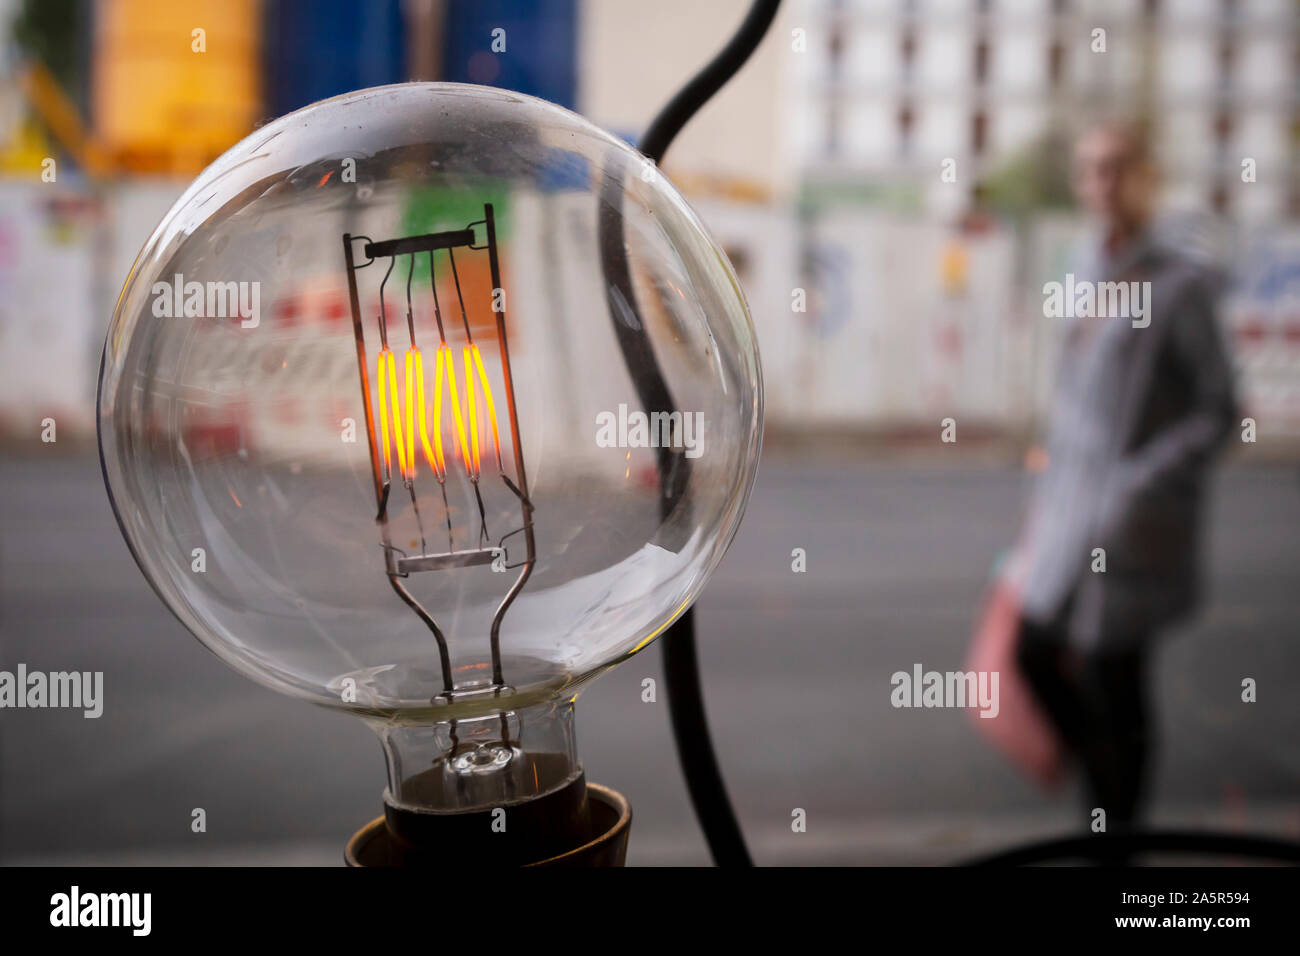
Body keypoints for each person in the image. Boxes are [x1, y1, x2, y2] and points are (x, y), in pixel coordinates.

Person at [1012, 119, 1238, 847]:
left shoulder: (1180, 283)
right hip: (1066, 510)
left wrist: (1140, 485)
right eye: (1089, 168)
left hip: (1131, 523)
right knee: (1034, 650)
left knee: (1118, 678)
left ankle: (1118, 839)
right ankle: (1107, 791)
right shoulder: (1083, 266)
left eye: (1116, 168)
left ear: (1147, 176)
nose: (1101, 184)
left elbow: (1220, 409)